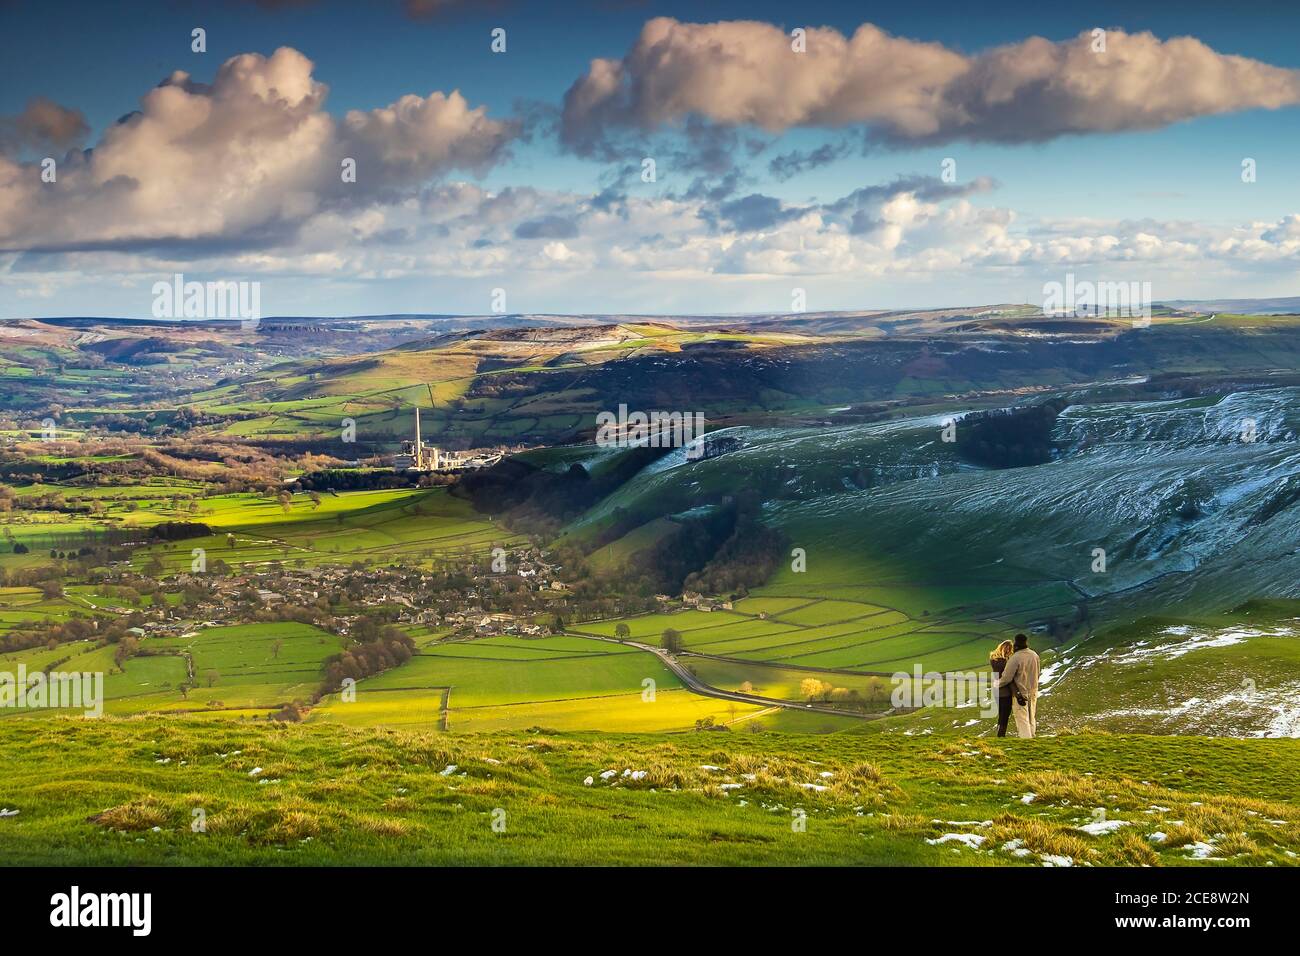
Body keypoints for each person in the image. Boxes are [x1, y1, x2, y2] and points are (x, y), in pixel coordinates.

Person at [999, 633, 1040, 738]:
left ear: (1016, 644)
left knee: (1022, 719)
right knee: (1031, 717)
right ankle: (1032, 737)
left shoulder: (1015, 658)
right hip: (1034, 691)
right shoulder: (1034, 655)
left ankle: (1026, 741)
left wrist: (996, 684)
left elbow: (1007, 678)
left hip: (1021, 693)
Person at [988, 639, 1015, 737]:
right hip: (1005, 691)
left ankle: (1000, 733)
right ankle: (1001, 735)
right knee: (1005, 715)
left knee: (1001, 713)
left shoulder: (993, 659)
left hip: (996, 690)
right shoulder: (1006, 662)